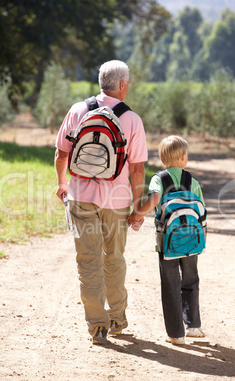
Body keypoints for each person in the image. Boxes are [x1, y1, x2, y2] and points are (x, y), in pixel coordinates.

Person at [55, 60, 148, 344]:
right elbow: (137, 169)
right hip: (116, 201)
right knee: (114, 258)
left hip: (81, 197)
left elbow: (61, 154)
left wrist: (62, 185)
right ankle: (117, 319)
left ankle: (97, 326)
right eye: (128, 83)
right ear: (122, 85)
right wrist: (137, 206)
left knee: (88, 262)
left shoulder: (77, 110)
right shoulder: (132, 119)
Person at [128, 135, 205, 345]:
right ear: (183, 157)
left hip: (167, 242)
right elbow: (202, 211)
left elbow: (154, 200)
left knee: (170, 283)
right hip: (191, 240)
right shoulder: (193, 181)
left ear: (163, 159)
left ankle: (176, 333)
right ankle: (193, 326)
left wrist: (137, 215)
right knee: (191, 279)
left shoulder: (158, 179)